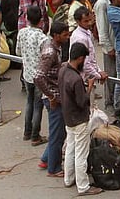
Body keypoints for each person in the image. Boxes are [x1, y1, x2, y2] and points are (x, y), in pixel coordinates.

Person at [59, 42, 102, 196]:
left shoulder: (63, 70)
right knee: (81, 154)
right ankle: (83, 186)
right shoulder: (76, 79)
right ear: (80, 58)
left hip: (68, 117)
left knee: (70, 148)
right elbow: (82, 101)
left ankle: (68, 179)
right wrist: (89, 86)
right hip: (79, 119)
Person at [36, 20, 71, 177]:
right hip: (54, 97)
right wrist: (50, 96)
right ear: (56, 35)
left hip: (57, 94)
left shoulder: (55, 47)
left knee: (58, 132)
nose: (67, 36)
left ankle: (46, 158)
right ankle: (54, 168)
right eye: (65, 34)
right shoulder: (50, 52)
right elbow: (38, 77)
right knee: (57, 134)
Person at [16, 4, 48, 145]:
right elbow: (47, 58)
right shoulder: (42, 37)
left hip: (27, 74)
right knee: (37, 105)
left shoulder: (22, 32)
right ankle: (35, 135)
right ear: (41, 20)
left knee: (29, 102)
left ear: (27, 18)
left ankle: (27, 132)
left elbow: (17, 51)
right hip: (39, 77)